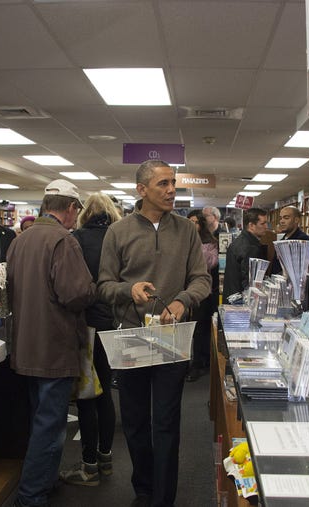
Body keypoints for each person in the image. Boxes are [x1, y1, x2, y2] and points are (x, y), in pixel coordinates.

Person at [98, 160, 210, 507]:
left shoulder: (187, 230)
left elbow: (202, 280)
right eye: (163, 183)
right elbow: (103, 285)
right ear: (141, 190)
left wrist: (182, 301)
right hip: (130, 337)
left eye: (173, 182)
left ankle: (163, 497)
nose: (172, 189)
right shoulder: (118, 232)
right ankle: (143, 488)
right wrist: (127, 290)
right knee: (133, 421)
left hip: (170, 336)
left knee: (165, 421)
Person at [7, 179, 96, 507]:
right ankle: (31, 496)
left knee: (39, 419)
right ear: (71, 209)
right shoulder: (63, 241)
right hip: (54, 346)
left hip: (25, 344)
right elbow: (75, 294)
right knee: (50, 424)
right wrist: (93, 288)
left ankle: (42, 481)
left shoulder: (21, 240)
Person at [59, 193, 121, 487]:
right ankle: (106, 458)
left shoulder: (77, 239)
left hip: (87, 325)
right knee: (107, 392)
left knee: (87, 395)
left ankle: (89, 466)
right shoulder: (119, 236)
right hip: (115, 324)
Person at [186, 210, 219, 382]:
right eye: (189, 221)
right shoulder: (183, 241)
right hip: (185, 291)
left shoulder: (209, 243)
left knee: (200, 329)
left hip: (203, 293)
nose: (192, 225)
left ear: (201, 224)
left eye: (195, 222)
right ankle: (195, 362)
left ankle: (199, 363)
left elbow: (209, 264)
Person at [222, 208, 268, 303]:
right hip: (240, 303)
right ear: (251, 225)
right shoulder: (251, 247)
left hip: (232, 298)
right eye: (263, 223)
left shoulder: (240, 241)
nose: (266, 227)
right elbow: (249, 283)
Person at [270, 205, 309, 284]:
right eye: (281, 218)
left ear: (296, 220)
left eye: (286, 218)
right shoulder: (282, 240)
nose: (281, 221)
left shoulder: (303, 241)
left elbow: (307, 270)